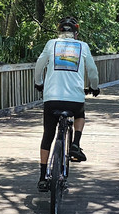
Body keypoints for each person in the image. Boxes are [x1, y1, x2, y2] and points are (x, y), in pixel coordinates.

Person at [33, 16, 100, 191]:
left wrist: (39, 83)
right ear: (76, 34)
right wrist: (94, 87)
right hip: (74, 100)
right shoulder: (83, 46)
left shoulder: (51, 44)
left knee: (48, 135)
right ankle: (75, 143)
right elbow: (92, 70)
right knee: (80, 113)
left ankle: (42, 177)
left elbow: (39, 65)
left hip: (52, 98)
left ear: (59, 32)